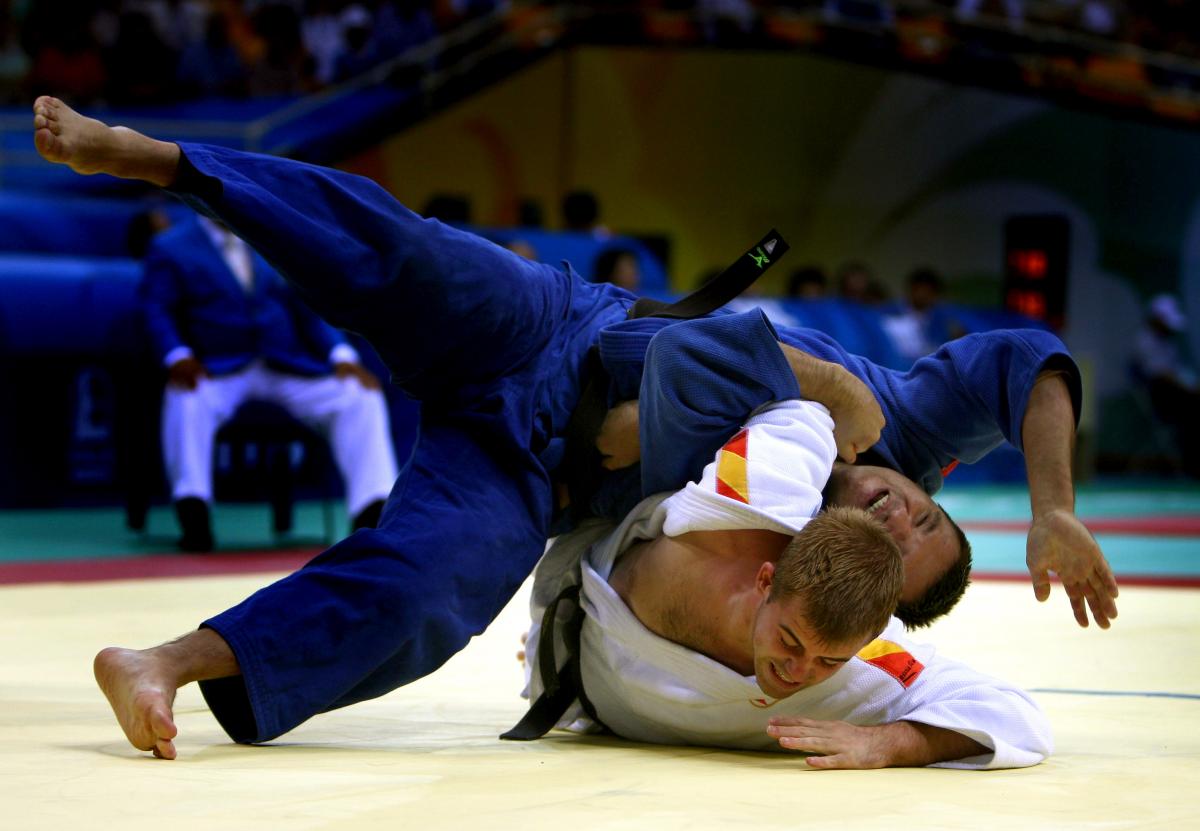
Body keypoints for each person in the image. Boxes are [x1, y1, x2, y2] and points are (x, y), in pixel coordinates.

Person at [31, 97, 1114, 761]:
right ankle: (170, 162)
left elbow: (850, 674)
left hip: (527, 475)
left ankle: (163, 663)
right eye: (924, 507)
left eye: (902, 548)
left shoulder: (783, 565)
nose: (896, 511)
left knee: (424, 597)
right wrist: (1052, 505)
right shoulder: (901, 424)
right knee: (405, 255)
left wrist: (885, 735)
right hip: (555, 324)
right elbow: (1028, 359)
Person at [522, 400, 1051, 769]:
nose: (798, 673)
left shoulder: (867, 666)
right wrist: (654, 417)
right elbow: (804, 413)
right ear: (766, 578)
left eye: (829, 662)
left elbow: (1019, 719)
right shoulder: (748, 502)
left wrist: (892, 743)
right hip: (569, 564)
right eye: (792, 641)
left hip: (578, 680)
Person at [141, 210, 400, 550]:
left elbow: (307, 306)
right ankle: (194, 513)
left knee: (357, 394)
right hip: (217, 366)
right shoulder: (172, 246)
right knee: (188, 398)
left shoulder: (270, 236)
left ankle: (372, 509)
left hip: (284, 363)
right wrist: (178, 355)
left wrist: (341, 355)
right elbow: (157, 309)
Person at [1131, 293, 1199, 477]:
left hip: (1178, 394)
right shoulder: (1144, 341)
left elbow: (1177, 372)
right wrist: (1190, 389)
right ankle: (1192, 466)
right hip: (1161, 398)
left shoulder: (1169, 343)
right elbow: (1161, 375)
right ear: (1156, 319)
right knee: (1192, 412)